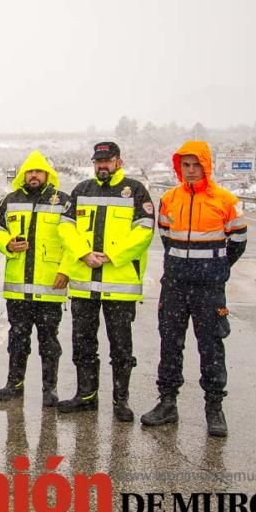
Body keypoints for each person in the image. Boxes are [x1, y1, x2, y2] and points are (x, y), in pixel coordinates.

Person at [141, 140, 247, 437]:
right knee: (169, 344)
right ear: (179, 167)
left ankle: (214, 408)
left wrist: (218, 268)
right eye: (185, 165)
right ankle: (167, 403)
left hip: (208, 287)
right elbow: (165, 236)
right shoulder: (170, 199)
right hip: (174, 285)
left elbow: (238, 241)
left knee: (211, 346)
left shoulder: (225, 200)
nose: (190, 170)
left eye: (195, 165)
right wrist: (182, 267)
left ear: (206, 165)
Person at [55, 141, 155, 422]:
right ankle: (86, 396)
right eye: (98, 161)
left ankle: (120, 400)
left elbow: (144, 232)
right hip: (84, 283)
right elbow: (65, 226)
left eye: (107, 160)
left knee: (121, 347)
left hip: (118, 286)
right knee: (83, 343)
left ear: (118, 162)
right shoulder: (81, 190)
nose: (102, 165)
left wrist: (111, 255)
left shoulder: (135, 191)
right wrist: (83, 253)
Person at [0, 151, 75, 407]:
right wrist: (7, 243)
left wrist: (66, 271)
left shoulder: (64, 202)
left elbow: (74, 240)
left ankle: (50, 388)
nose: (34, 175)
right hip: (17, 288)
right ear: (23, 175)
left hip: (50, 286)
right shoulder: (10, 200)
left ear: (47, 174)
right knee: (17, 339)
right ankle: (14, 384)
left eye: (38, 171)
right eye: (30, 171)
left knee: (49, 342)